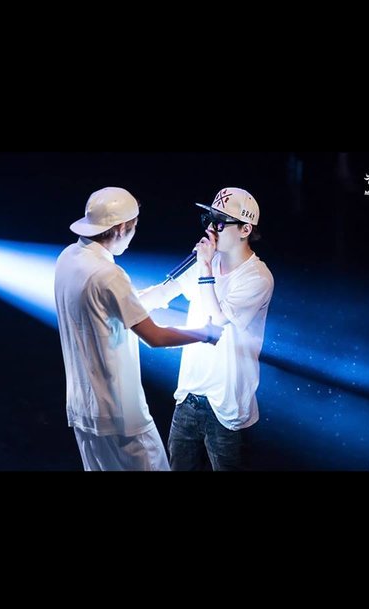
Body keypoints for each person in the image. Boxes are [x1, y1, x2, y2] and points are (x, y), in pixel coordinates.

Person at [54, 187, 222, 472]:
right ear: (121, 228)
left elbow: (115, 306)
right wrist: (206, 333)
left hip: (84, 413)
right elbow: (155, 337)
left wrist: (169, 288)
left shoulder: (69, 258)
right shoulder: (110, 274)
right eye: (133, 228)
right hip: (122, 417)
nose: (132, 235)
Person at [147, 187, 274, 471]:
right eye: (208, 219)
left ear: (245, 229)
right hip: (188, 397)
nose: (210, 228)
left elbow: (217, 319)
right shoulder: (205, 262)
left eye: (219, 222)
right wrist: (118, 302)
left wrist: (205, 267)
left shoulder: (258, 277)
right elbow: (161, 293)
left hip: (228, 409)